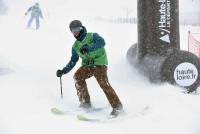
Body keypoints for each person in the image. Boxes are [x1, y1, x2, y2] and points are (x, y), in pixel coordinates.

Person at [56, 20, 123, 116]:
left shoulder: (92, 36)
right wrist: (63, 71)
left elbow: (102, 42)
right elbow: (73, 61)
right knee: (77, 76)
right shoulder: (75, 46)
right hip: (87, 66)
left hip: (99, 64)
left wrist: (89, 48)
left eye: (77, 29)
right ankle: (85, 102)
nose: (76, 32)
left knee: (103, 83)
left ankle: (118, 107)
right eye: (73, 30)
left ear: (81, 28)